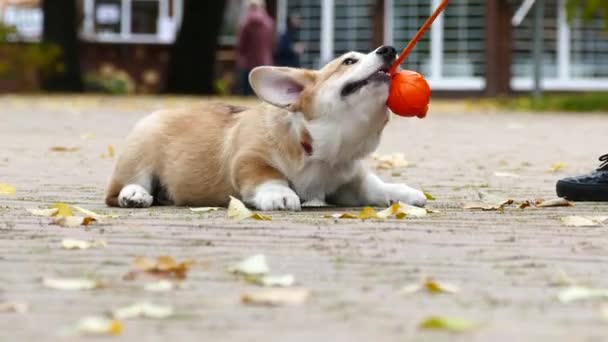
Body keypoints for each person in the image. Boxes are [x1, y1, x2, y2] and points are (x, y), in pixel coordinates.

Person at [235, 0, 274, 96]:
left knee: (245, 92)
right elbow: (271, 43)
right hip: (264, 62)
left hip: (247, 63)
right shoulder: (268, 23)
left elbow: (241, 45)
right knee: (261, 92)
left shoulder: (245, 23)